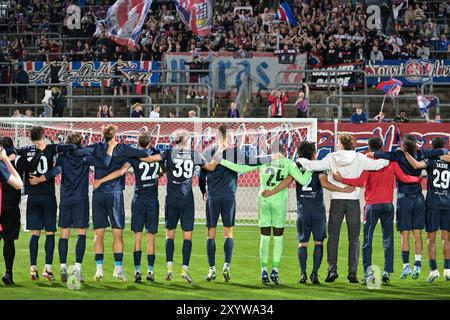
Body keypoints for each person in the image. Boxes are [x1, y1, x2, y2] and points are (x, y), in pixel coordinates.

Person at [297, 134, 389, 284]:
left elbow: (313, 165)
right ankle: (352, 272)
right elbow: (380, 164)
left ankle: (332, 270)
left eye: (338, 142)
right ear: (351, 144)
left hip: (337, 200)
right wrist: (382, 155)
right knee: (354, 238)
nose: (336, 144)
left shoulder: (332, 157)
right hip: (353, 200)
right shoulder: (360, 157)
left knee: (333, 237)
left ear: (341, 144)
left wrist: (300, 159)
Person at [219, 140, 312, 286]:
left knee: (265, 237)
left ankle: (263, 271)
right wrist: (311, 169)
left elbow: (241, 169)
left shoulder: (264, 161)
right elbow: (303, 180)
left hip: (263, 200)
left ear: (270, 150)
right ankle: (274, 271)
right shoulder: (288, 163)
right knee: (278, 238)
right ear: (284, 150)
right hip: (279, 204)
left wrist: (222, 161)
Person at [262, 141, 355, 285]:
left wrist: (271, 192)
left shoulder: (296, 166)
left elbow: (286, 182)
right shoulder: (318, 167)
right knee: (318, 242)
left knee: (302, 243)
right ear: (313, 153)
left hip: (302, 211)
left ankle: (303, 274)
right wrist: (344, 190)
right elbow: (324, 183)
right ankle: (314, 274)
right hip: (317, 211)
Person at [333, 137, 420, 285]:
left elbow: (360, 182)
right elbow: (404, 177)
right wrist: (416, 179)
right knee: (388, 239)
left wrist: (342, 179)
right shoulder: (390, 162)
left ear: (369, 147)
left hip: (372, 205)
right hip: (387, 205)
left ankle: (368, 273)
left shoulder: (368, 162)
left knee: (368, 240)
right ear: (382, 147)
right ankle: (386, 271)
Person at [137, 130, 219, 283]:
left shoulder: (169, 152)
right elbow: (210, 168)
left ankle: (169, 269)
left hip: (172, 199)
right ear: (186, 141)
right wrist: (220, 154)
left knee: (170, 234)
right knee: (187, 236)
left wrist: (137, 156)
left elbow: (153, 159)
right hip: (187, 199)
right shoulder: (194, 154)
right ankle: (184, 270)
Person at [34, 133, 116, 283]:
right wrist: (110, 148)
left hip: (66, 199)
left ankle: (63, 267)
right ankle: (77, 270)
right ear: (80, 143)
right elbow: (104, 163)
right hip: (81, 200)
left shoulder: (63, 157)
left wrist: (39, 179)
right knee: (81, 234)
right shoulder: (85, 157)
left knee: (64, 234)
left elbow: (55, 172)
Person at [199, 125, 275, 283]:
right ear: (229, 136)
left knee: (210, 232)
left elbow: (202, 173)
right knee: (228, 231)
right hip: (229, 195)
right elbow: (251, 161)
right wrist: (271, 157)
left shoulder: (208, 151)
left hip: (213, 195)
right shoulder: (235, 151)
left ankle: (211, 269)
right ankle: (226, 265)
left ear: (217, 136)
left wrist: (202, 190)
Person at [368, 134, 448, 280]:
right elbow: (441, 152)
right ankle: (418, 265)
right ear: (416, 145)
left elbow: (383, 154)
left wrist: (371, 153)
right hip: (419, 198)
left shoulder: (398, 154)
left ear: (404, 146)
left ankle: (406, 267)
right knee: (418, 233)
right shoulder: (422, 153)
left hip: (404, 198)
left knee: (404, 233)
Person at [93, 132, 162, 284]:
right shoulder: (158, 154)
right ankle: (150, 272)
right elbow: (162, 168)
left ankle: (137, 272)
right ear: (150, 142)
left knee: (137, 237)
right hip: (152, 200)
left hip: (138, 199)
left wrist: (100, 180)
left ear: (138, 143)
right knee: (150, 237)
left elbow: (120, 172)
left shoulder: (133, 157)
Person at [14, 126, 76, 281]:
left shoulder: (25, 149)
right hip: (48, 196)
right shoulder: (51, 148)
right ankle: (47, 269)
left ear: (30, 138)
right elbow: (72, 146)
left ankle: (32, 269)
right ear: (44, 136)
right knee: (49, 232)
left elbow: (11, 151)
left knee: (35, 233)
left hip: (32, 197)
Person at [399, 138, 450, 283]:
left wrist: (406, 153)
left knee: (430, 239)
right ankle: (447, 270)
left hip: (433, 203)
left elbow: (416, 165)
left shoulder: (430, 161)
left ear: (432, 147)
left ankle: (434, 271)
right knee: (446, 238)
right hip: (448, 203)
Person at [0, 141, 24, 285]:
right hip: (9, 206)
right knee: (9, 241)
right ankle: (8, 272)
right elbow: (19, 184)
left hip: (6, 205)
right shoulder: (6, 164)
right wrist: (8, 161)